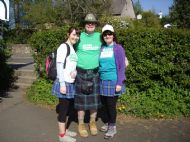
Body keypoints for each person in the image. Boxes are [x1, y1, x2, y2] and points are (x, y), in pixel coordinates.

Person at [74, 13, 102, 137]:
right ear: (85, 24)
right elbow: (68, 47)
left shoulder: (100, 36)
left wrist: (123, 56)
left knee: (94, 103)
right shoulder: (78, 37)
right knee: (81, 102)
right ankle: (81, 124)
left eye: (92, 22)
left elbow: (113, 44)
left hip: (95, 74)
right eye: (88, 22)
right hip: (80, 74)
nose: (90, 24)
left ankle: (92, 123)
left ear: (95, 24)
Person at [52, 27, 80, 142]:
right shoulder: (63, 47)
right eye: (73, 34)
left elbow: (70, 65)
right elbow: (59, 66)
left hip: (70, 82)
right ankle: (62, 135)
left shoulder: (72, 48)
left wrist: (75, 72)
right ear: (68, 34)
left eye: (77, 35)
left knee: (67, 108)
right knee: (63, 110)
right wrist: (62, 84)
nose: (75, 37)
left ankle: (65, 130)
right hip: (63, 83)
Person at [99, 24, 126, 139]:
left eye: (109, 33)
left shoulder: (118, 48)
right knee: (104, 105)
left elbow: (122, 67)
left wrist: (119, 82)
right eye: (105, 34)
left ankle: (112, 127)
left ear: (113, 35)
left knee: (111, 105)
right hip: (102, 81)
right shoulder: (102, 48)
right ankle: (108, 122)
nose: (107, 36)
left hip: (114, 81)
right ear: (103, 36)